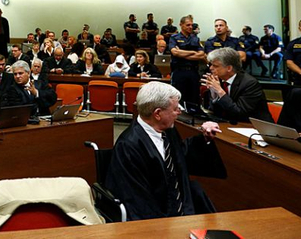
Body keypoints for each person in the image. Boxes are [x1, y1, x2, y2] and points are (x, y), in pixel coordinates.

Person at [105, 82, 226, 220]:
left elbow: (180, 155)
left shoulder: (167, 130)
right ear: (157, 113)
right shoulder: (129, 146)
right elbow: (137, 200)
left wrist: (205, 138)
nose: (179, 112)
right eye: (175, 109)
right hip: (156, 218)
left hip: (181, 208)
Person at [202, 48, 273, 122]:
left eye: (215, 66)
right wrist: (214, 95)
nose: (211, 68)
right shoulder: (218, 80)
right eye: (210, 65)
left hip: (254, 125)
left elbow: (239, 113)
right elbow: (216, 112)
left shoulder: (250, 84)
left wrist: (220, 91)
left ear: (229, 68)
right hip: (230, 123)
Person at [168, 16, 205, 104]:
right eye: (188, 25)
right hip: (179, 71)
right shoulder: (174, 37)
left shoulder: (195, 38)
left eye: (191, 25)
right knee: (178, 98)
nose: (190, 27)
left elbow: (201, 55)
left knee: (194, 99)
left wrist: (181, 53)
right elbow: (175, 52)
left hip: (193, 71)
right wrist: (193, 52)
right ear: (181, 25)